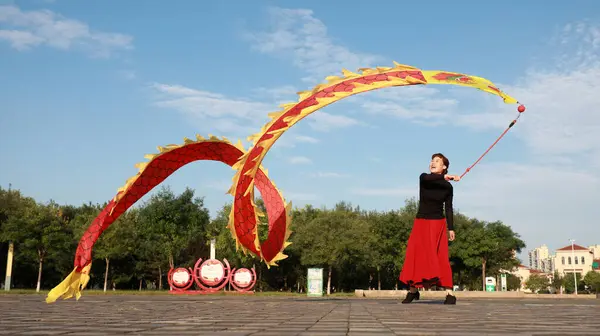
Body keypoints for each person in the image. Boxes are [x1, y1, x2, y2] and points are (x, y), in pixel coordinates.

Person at [398, 153, 460, 305]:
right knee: (415, 254)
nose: (433, 163)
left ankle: (450, 294)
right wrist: (448, 177)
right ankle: (413, 291)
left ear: (444, 167)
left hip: (437, 223)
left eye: (437, 161)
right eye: (432, 160)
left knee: (439, 256)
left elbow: (449, 208)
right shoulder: (424, 178)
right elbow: (429, 178)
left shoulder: (447, 187)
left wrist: (451, 228)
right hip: (421, 222)